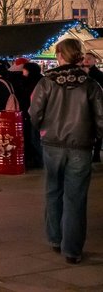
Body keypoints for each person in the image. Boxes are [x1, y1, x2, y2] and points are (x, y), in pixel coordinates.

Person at [29, 38, 103, 265]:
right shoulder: (91, 85)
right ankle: (72, 249)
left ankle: (55, 237)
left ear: (60, 55)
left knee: (53, 191)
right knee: (76, 197)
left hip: (52, 144)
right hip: (81, 146)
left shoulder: (46, 82)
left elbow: (34, 113)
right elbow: (101, 119)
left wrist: (42, 128)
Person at [21, 62, 45, 169]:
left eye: (24, 70)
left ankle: (41, 160)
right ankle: (39, 160)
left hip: (35, 114)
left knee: (35, 138)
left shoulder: (33, 82)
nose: (23, 72)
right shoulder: (42, 81)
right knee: (36, 138)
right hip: (37, 114)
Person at [81, 52, 102, 162]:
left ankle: (96, 153)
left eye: (89, 58)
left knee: (97, 130)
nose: (86, 60)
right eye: (84, 58)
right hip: (84, 107)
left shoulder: (98, 75)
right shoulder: (80, 73)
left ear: (95, 60)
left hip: (95, 107)